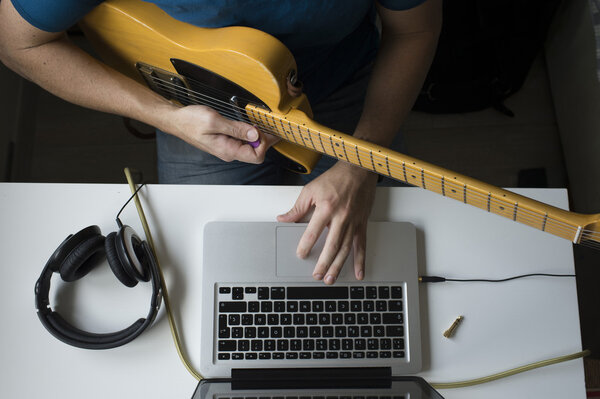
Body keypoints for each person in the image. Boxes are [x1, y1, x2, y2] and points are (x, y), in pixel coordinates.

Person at [0, 0, 441, 284]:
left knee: (367, 275)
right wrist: (166, 117)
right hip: (198, 106)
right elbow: (16, 41)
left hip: (346, 91)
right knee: (222, 281)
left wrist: (361, 162)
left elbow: (415, 30)